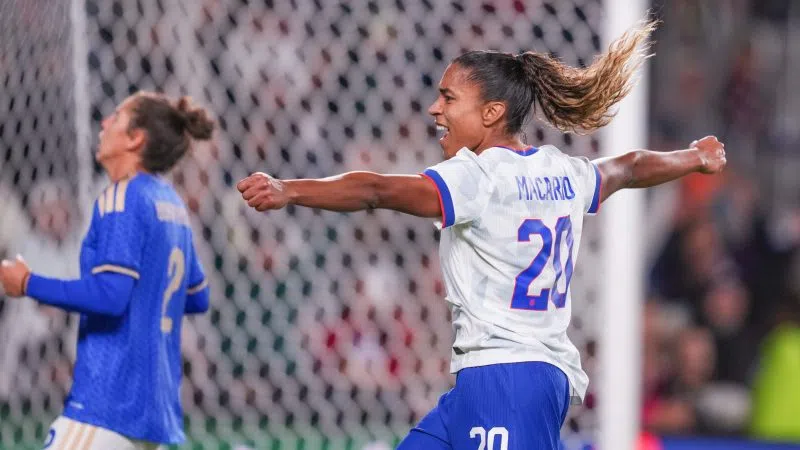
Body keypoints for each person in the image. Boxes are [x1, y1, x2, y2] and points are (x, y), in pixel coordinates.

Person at [237, 19, 726, 450]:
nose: (435, 109)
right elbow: (630, 167)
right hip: (506, 379)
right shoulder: (563, 171)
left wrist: (288, 189)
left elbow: (375, 190)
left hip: (506, 380)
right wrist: (693, 157)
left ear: (491, 113)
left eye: (449, 98)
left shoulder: (479, 175)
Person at [0, 91, 214, 450]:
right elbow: (197, 297)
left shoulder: (123, 197)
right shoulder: (171, 204)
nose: (105, 123)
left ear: (135, 139)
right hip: (155, 401)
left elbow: (111, 298)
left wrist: (28, 283)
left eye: (116, 118)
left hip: (112, 400)